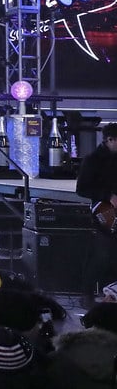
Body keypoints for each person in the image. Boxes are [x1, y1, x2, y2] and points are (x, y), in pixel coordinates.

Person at [75, 121, 117, 302]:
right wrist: (108, 196)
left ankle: (111, 294)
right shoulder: (92, 160)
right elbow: (82, 189)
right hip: (103, 212)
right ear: (110, 139)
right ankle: (87, 294)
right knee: (100, 254)